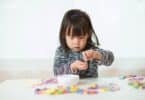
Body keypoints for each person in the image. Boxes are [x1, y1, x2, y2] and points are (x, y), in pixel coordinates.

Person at [53, 9, 114, 78]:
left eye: (81, 37)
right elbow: (56, 72)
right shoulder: (61, 51)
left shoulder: (91, 50)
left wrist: (97, 55)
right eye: (71, 37)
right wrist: (72, 67)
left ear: (87, 35)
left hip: (91, 87)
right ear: (64, 35)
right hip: (69, 88)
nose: (76, 42)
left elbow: (111, 59)